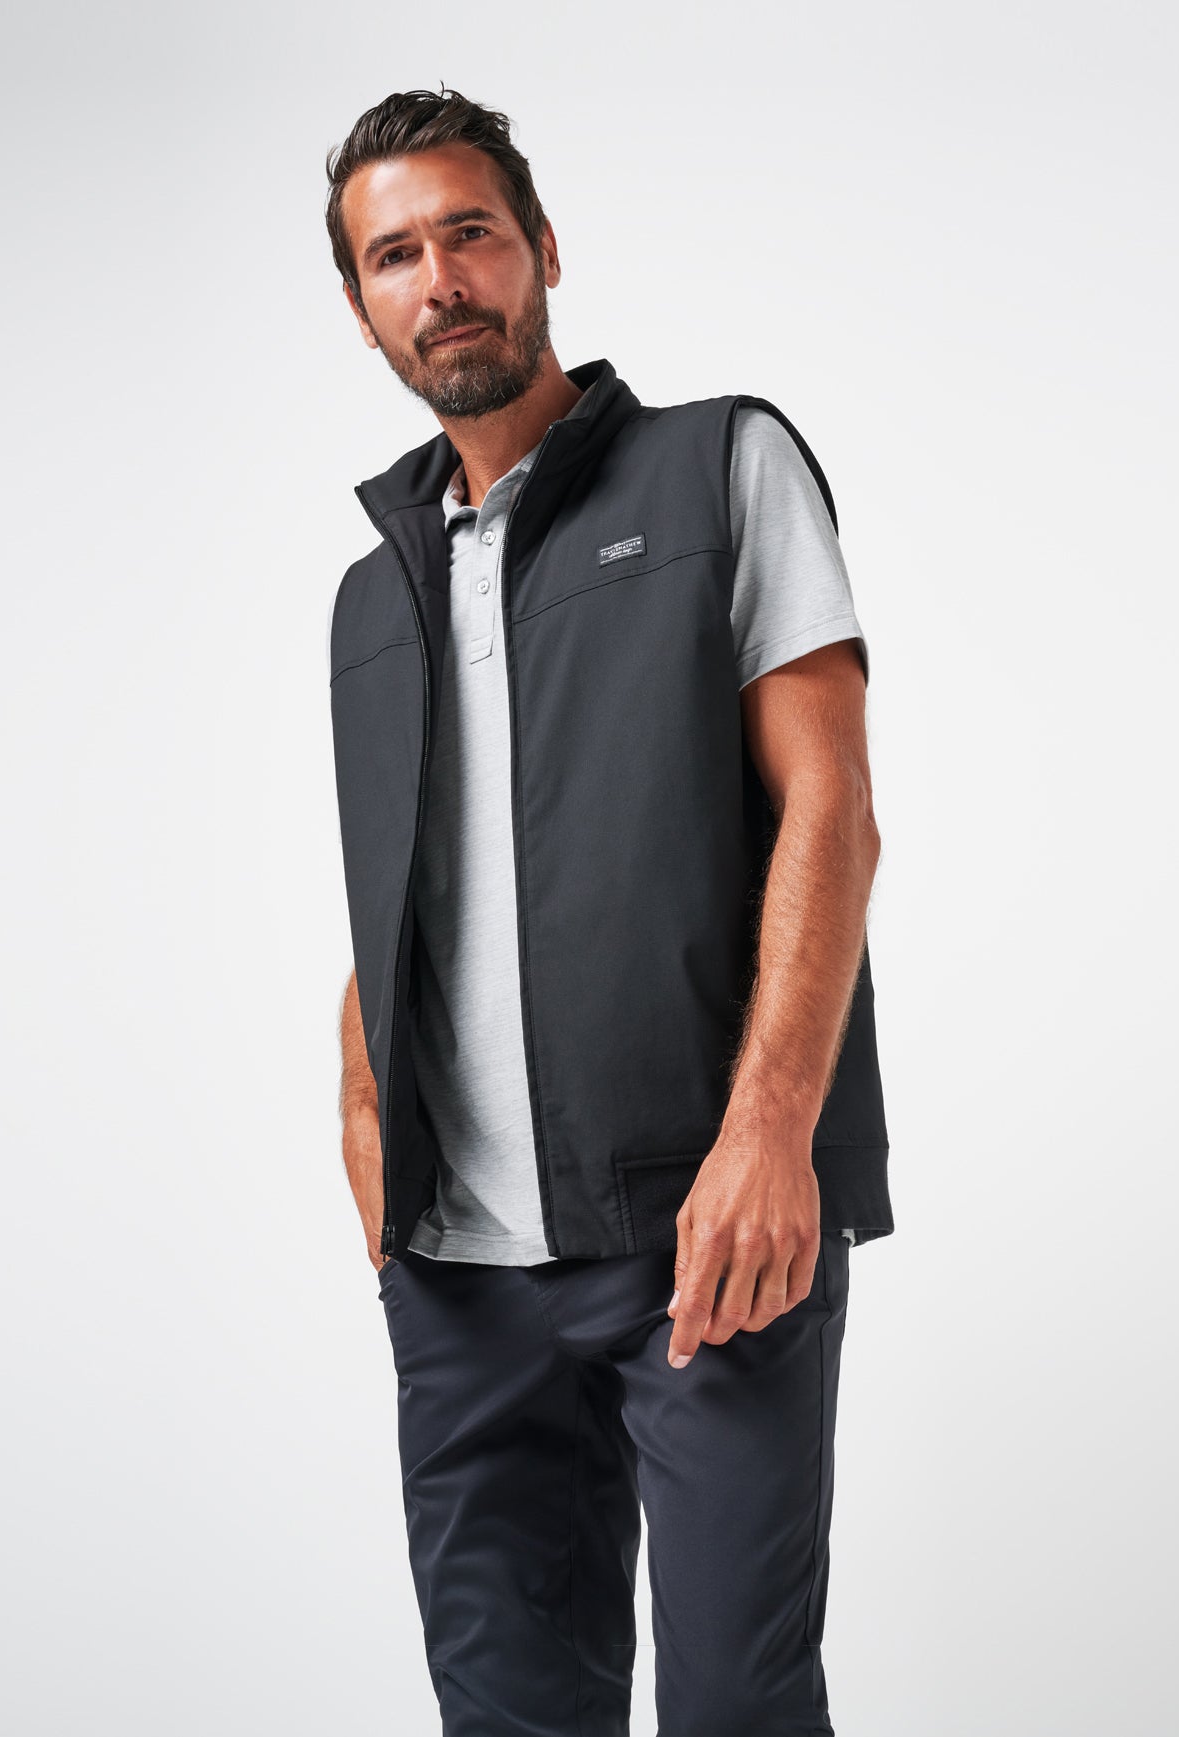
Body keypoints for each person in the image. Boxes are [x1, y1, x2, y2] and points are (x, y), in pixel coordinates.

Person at [323, 85, 893, 1737]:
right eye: (395, 255)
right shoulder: (372, 592)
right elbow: (400, 885)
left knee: (734, 1706)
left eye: (472, 233)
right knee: (507, 1714)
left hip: (702, 1239)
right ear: (361, 306)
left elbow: (833, 812)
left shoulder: (721, 465)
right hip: (459, 1277)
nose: (442, 279)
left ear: (545, 249)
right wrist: (361, 1101)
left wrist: (772, 1134)